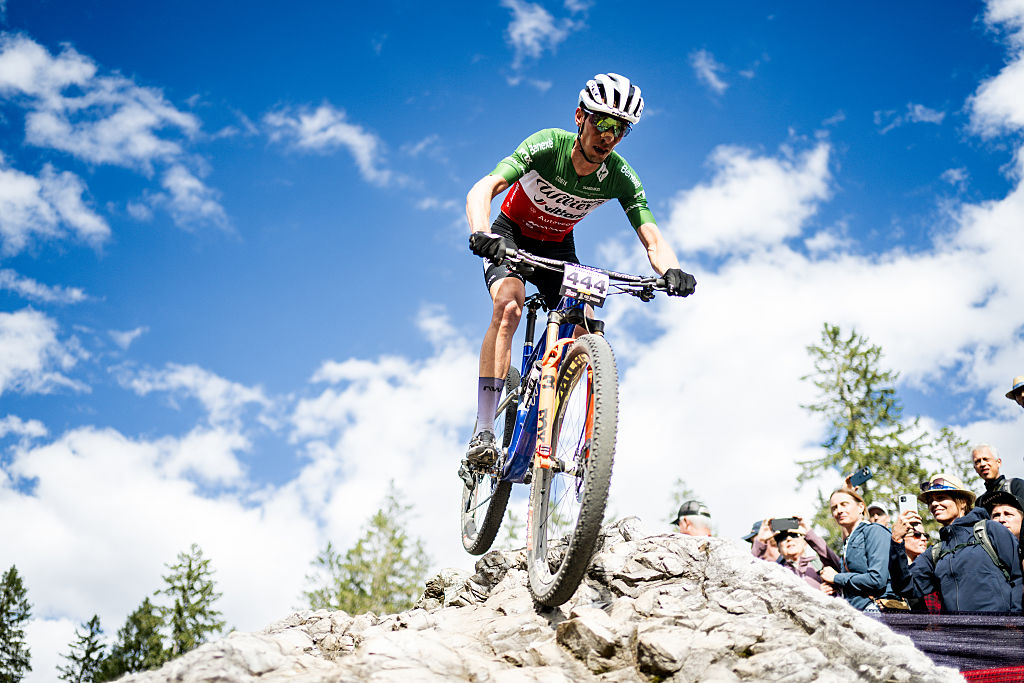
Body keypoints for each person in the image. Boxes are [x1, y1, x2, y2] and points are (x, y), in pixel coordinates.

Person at [462, 73, 697, 466]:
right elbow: (482, 188)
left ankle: (584, 434)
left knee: (586, 321)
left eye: (620, 129)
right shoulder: (547, 145)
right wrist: (482, 232)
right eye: (602, 122)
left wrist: (673, 269)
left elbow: (652, 236)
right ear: (579, 117)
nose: (609, 136)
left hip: (557, 247)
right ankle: (484, 429)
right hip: (510, 235)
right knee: (509, 306)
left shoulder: (620, 176)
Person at [890, 473, 1022, 613]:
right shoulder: (936, 552)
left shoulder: (990, 530)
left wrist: (1015, 620)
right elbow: (905, 587)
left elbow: (1018, 576)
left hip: (998, 631)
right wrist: (896, 541)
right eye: (930, 500)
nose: (934, 504)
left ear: (962, 501)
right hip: (955, 633)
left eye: (941, 498)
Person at [818, 486, 895, 611]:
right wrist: (834, 586)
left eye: (844, 504)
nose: (839, 510)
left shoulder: (875, 531)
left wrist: (836, 578)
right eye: (834, 507)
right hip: (855, 611)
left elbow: (877, 579)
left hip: (876, 610)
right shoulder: (849, 540)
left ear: (860, 507)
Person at [774, 518, 841, 590]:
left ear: (805, 543)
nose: (789, 538)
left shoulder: (818, 564)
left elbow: (836, 563)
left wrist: (809, 533)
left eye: (794, 535)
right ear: (778, 549)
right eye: (782, 537)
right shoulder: (777, 572)